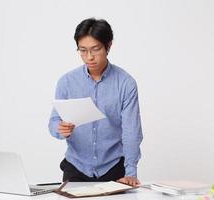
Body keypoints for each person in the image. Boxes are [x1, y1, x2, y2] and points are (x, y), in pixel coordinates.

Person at [48, 18, 143, 186]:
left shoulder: (126, 83)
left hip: (113, 168)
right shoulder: (67, 81)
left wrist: (131, 172)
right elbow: (54, 121)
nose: (89, 57)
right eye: (83, 50)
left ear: (108, 46)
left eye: (95, 49)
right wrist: (60, 129)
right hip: (76, 168)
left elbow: (131, 132)